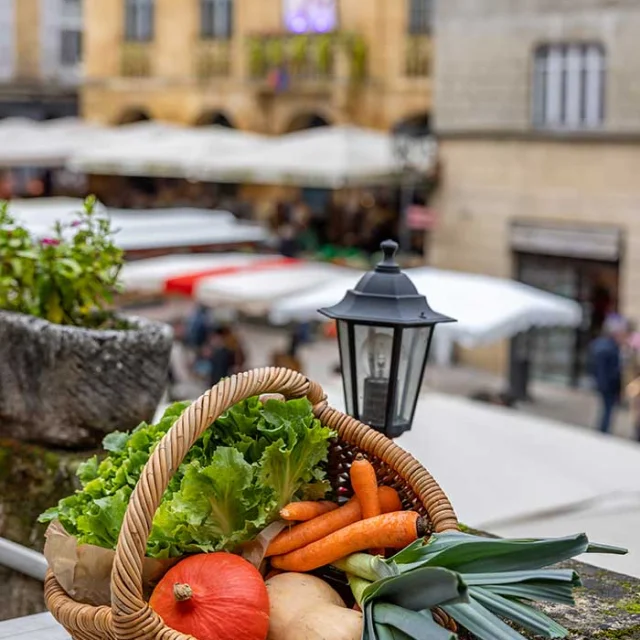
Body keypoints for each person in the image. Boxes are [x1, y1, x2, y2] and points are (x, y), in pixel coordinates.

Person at [588, 314, 629, 434]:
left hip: (607, 383)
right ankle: (603, 430)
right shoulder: (607, 346)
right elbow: (604, 368)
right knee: (607, 408)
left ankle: (603, 429)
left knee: (607, 408)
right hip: (608, 384)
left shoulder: (603, 344)